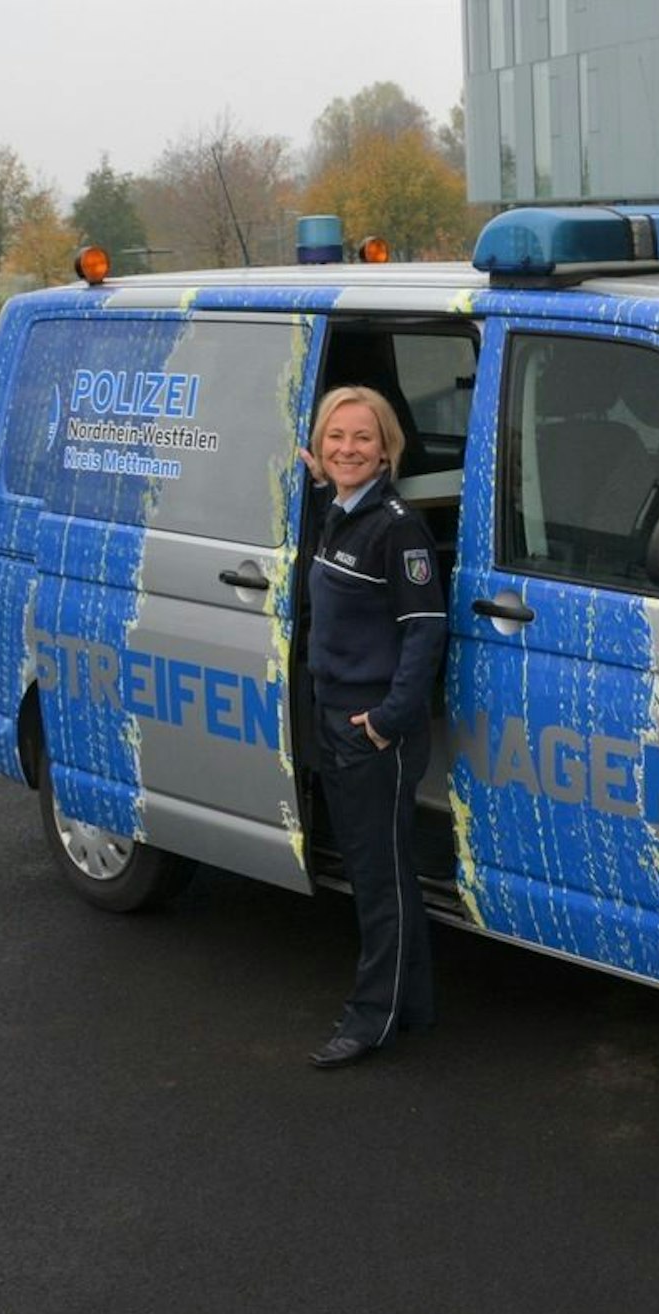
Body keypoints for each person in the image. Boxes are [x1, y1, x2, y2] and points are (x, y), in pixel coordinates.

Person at [299, 385, 447, 1068]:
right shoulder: (339, 511)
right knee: (381, 868)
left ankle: (370, 1019)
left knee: (378, 878)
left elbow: (424, 634)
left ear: (387, 447)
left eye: (362, 438)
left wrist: (388, 721)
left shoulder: (396, 527)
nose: (347, 448)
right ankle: (411, 1002)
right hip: (336, 716)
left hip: (371, 728)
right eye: (335, 437)